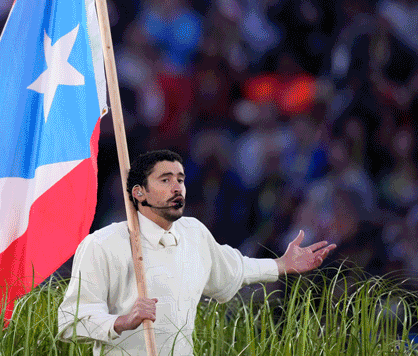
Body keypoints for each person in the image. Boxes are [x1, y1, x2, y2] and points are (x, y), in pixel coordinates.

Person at [58, 149, 336, 356]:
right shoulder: (102, 244)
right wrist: (122, 322)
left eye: (180, 179)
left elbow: (234, 267)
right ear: (139, 193)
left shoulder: (194, 233)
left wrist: (281, 265)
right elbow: (70, 322)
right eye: (165, 180)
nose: (177, 187)